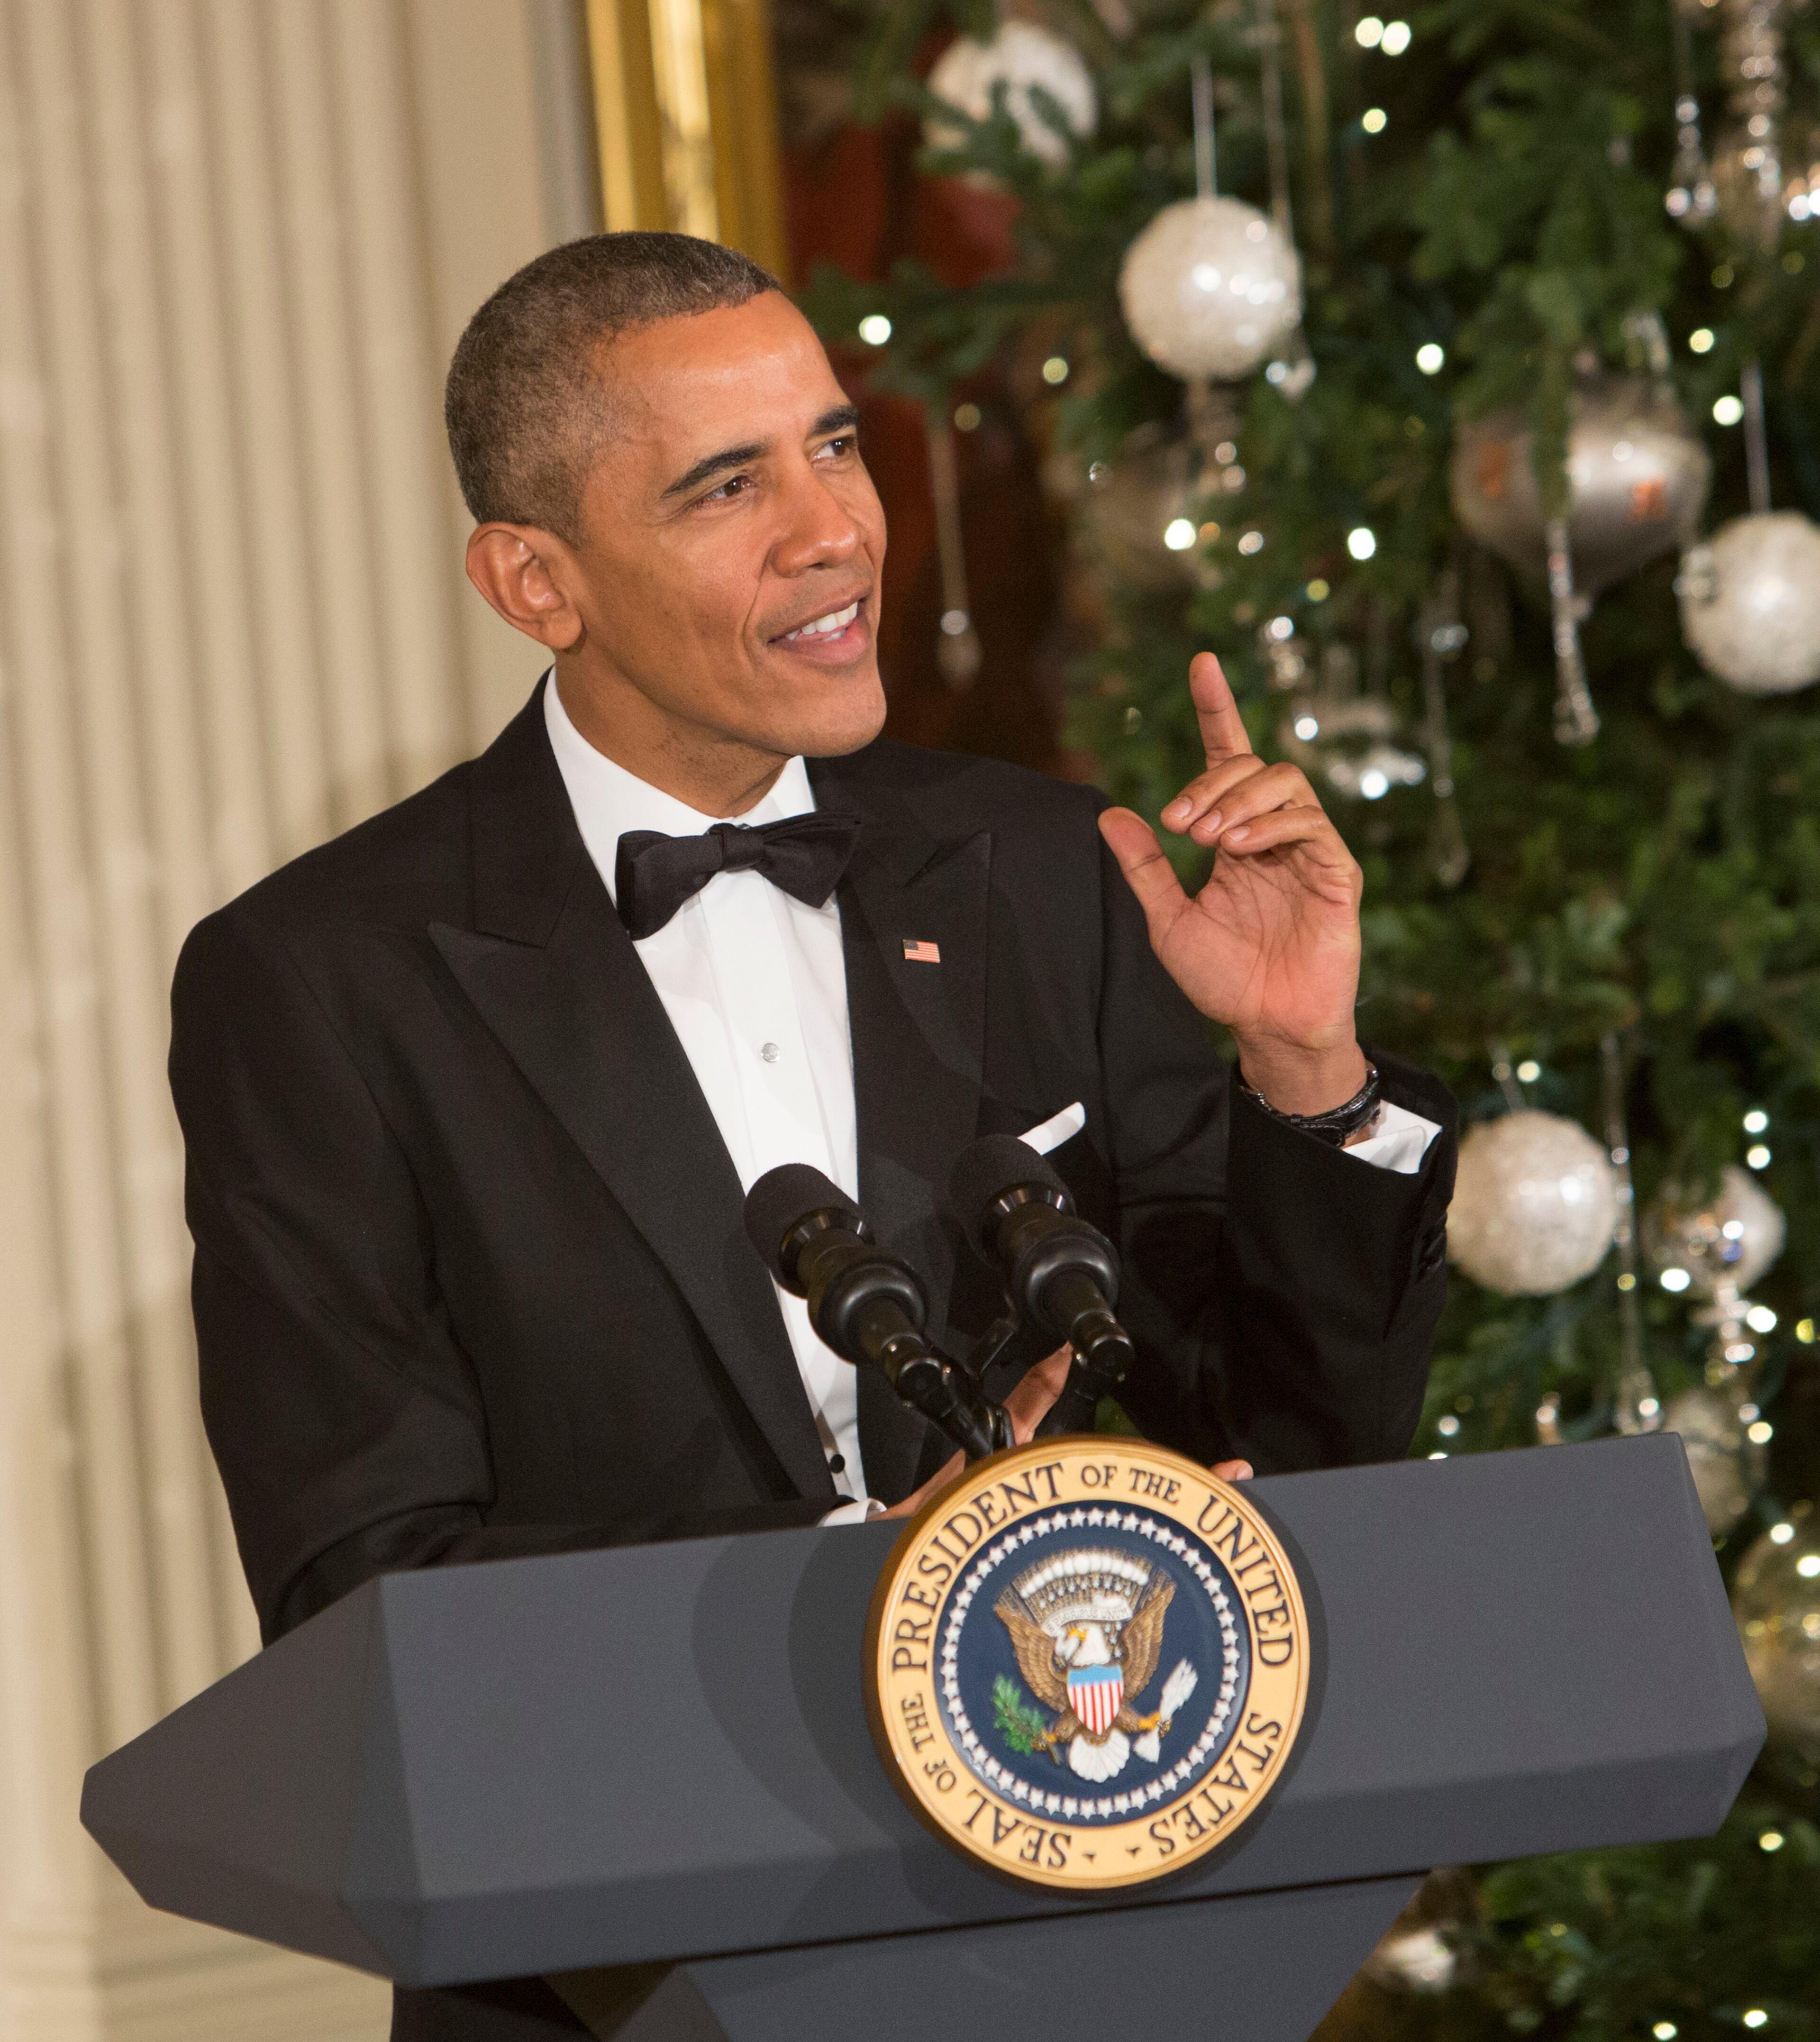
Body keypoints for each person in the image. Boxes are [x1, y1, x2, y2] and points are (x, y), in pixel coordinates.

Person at [169, 233, 1456, 2040]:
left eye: (837, 445)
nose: (833, 527)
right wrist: (861, 1609)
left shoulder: (1053, 872)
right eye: (726, 484)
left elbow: (1293, 1440)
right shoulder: (317, 980)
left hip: (1104, 1946)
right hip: (619, 1978)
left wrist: (1308, 1069)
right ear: (538, 579)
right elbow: (361, 1589)